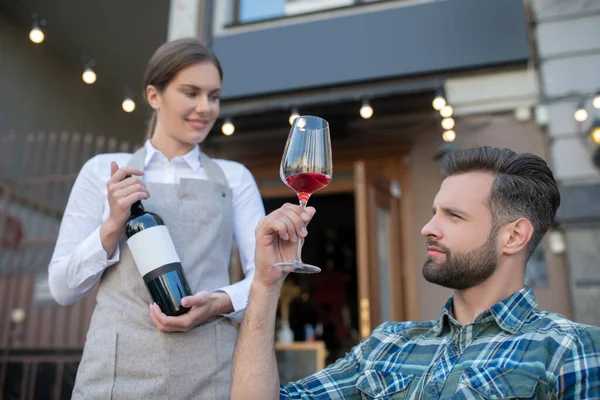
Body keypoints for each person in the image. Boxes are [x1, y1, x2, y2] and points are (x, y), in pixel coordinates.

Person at [231, 146, 600, 399]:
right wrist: (265, 285)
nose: (428, 227)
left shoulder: (568, 348)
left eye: (453, 216)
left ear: (514, 236)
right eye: (434, 211)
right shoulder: (389, 344)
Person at [48, 38, 265, 399]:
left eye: (213, 96)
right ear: (153, 95)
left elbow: (263, 278)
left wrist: (218, 302)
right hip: (114, 376)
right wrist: (112, 225)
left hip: (211, 374)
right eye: (191, 92)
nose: (205, 108)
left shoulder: (234, 177)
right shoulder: (102, 171)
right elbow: (62, 289)